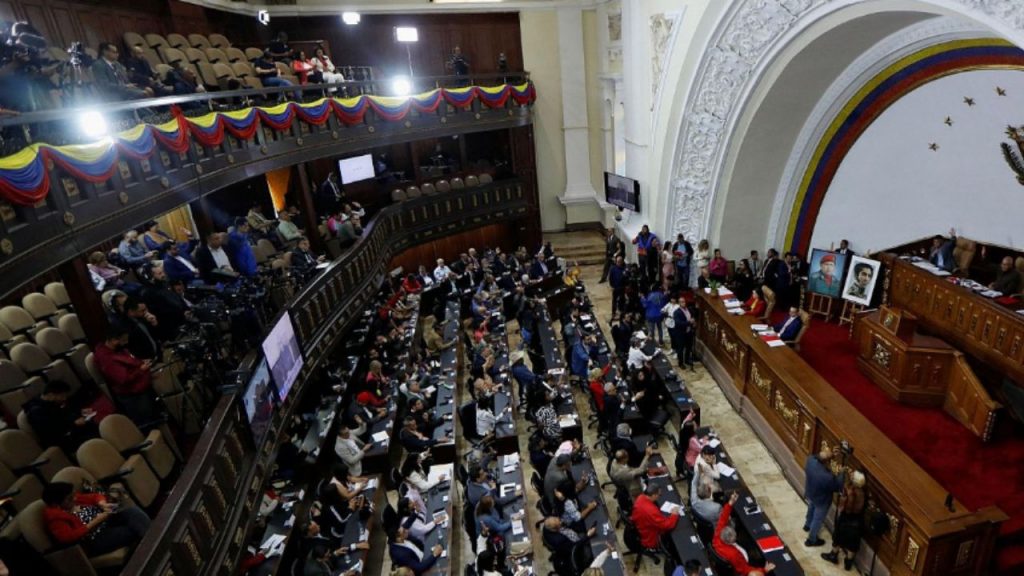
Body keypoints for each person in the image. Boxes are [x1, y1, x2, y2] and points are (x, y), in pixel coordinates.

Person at [42, 481, 151, 556]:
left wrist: (103, 504)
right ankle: (154, 549)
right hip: (94, 539)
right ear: (56, 504)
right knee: (131, 530)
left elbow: (94, 497)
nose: (75, 498)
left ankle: (154, 542)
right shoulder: (55, 518)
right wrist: (96, 521)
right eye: (70, 499)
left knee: (133, 512)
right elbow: (69, 537)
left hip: (106, 521)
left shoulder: (73, 500)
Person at [92, 325, 159, 425]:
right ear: (113, 340)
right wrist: (141, 369)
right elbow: (123, 379)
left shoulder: (116, 349)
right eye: (123, 340)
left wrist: (140, 362)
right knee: (148, 421)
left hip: (140, 383)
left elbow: (129, 362)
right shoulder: (106, 359)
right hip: (132, 394)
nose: (126, 343)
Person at [23, 380, 98, 453]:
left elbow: (62, 414)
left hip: (68, 430)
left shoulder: (47, 402)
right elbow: (53, 431)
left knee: (91, 425)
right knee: (92, 435)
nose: (64, 398)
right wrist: (74, 424)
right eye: (62, 396)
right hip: (61, 440)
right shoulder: (37, 412)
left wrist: (79, 412)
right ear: (51, 395)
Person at [714, 492, 774, 575]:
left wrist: (730, 503)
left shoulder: (718, 533)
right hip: (745, 561)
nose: (735, 538)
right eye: (734, 539)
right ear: (729, 542)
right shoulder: (734, 555)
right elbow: (745, 570)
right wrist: (764, 570)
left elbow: (723, 518)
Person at [822, 470, 867, 570]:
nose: (850, 474)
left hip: (846, 518)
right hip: (857, 521)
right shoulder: (864, 493)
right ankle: (848, 563)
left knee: (838, 537)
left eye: (852, 474)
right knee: (853, 543)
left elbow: (842, 506)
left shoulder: (849, 491)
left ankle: (833, 555)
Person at [804, 447, 845, 547]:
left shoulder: (810, 461)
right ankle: (811, 539)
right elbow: (837, 486)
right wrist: (841, 474)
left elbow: (816, 456)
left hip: (811, 492)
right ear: (826, 462)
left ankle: (807, 525)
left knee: (811, 507)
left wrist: (830, 454)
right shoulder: (827, 477)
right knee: (818, 518)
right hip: (822, 500)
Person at [631, 484, 680, 548]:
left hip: (641, 527)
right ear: (654, 495)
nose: (659, 497)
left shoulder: (641, 497)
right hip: (650, 538)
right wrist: (674, 515)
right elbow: (667, 525)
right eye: (659, 495)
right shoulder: (651, 511)